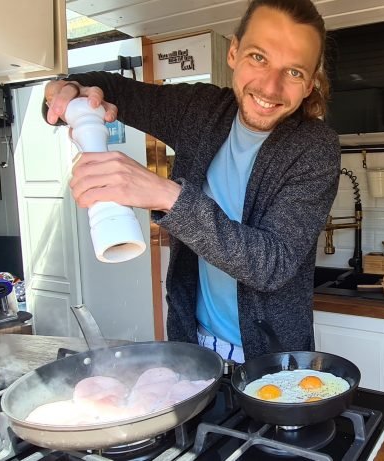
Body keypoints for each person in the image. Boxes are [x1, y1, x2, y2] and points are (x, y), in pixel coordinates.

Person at [42, 0, 341, 362]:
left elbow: (272, 264)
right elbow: (105, 86)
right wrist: (67, 94)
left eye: (293, 72)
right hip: (192, 345)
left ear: (310, 84)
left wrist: (166, 195)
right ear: (234, 52)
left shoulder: (314, 146)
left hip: (274, 361)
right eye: (258, 58)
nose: (271, 87)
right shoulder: (199, 110)